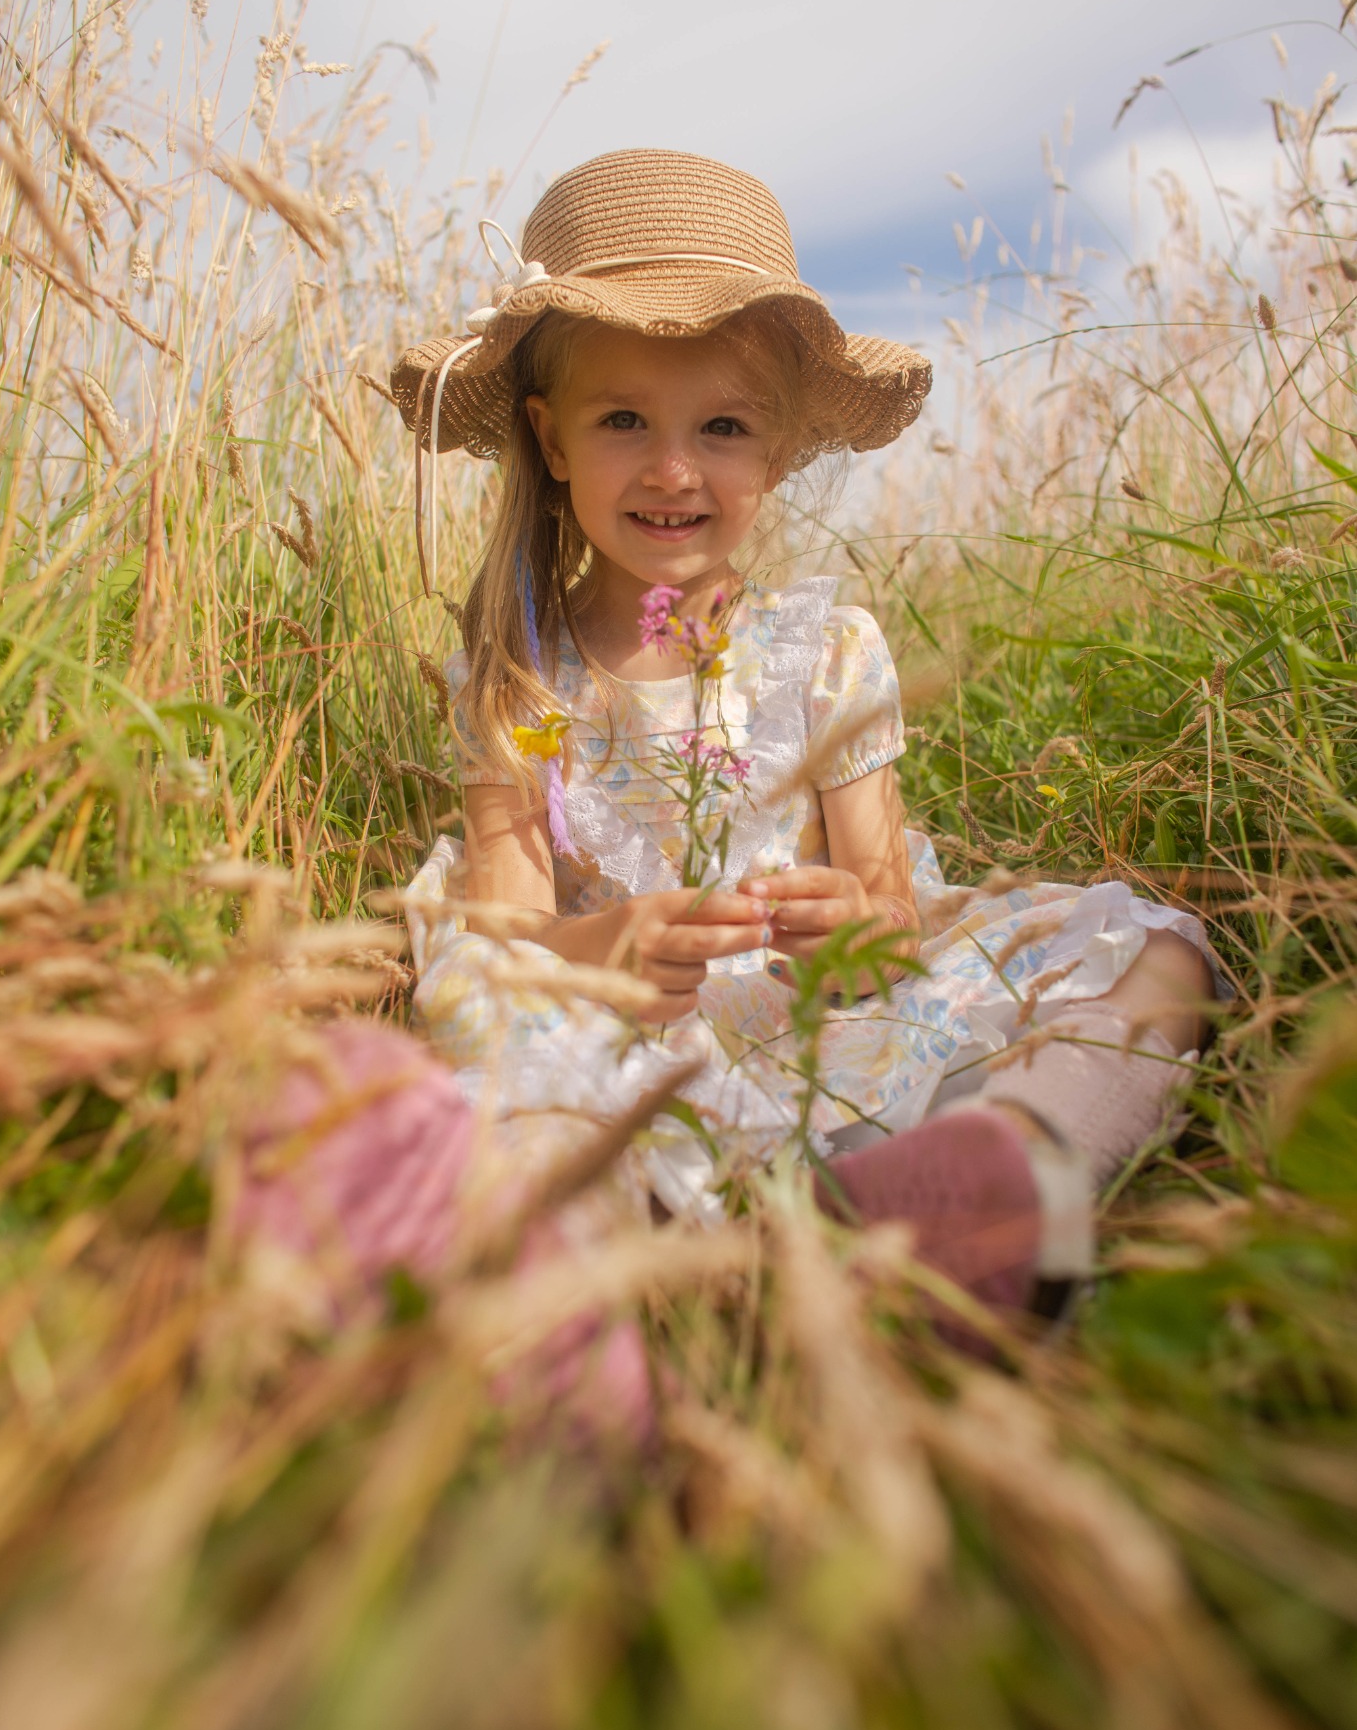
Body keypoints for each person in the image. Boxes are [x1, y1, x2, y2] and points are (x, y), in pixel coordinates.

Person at [394, 149, 1220, 1312]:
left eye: (723, 425)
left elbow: (887, 902)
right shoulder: (519, 676)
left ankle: (1002, 1173)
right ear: (549, 437)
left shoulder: (826, 650)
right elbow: (510, 924)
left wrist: (853, 928)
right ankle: (597, 1282)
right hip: (640, 1023)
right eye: (624, 417)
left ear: (779, 448)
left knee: (1156, 952)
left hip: (828, 1010)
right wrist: (613, 939)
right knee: (495, 1020)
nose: (676, 468)